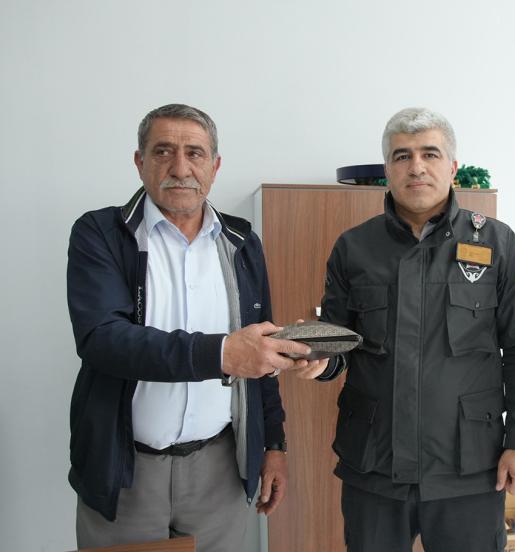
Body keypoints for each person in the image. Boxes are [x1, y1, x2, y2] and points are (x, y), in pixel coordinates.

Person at [66, 103, 324, 550]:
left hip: (220, 469)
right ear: (139, 162)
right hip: (126, 470)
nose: (180, 168)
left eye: (195, 153)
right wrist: (222, 354)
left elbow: (260, 351)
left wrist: (274, 445)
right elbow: (103, 340)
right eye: (163, 151)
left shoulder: (242, 242)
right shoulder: (101, 233)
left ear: (215, 166)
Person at [291, 107, 515, 551]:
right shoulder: (354, 247)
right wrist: (318, 356)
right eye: (402, 156)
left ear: (452, 166)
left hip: (469, 467)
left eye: (430, 153)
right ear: (387, 169)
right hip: (375, 466)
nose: (416, 167)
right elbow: (339, 344)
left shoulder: (496, 242)